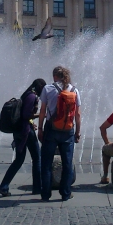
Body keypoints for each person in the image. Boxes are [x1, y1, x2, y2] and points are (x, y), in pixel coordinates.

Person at [38, 66, 81, 202]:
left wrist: (40, 128)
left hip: (51, 129)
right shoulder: (74, 90)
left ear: (55, 76)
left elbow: (43, 111)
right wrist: (77, 132)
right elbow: (78, 114)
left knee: (46, 163)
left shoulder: (47, 89)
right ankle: (65, 193)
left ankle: (46, 194)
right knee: (67, 164)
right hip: (68, 130)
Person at [0, 78, 46, 197]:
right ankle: (37, 188)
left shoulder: (26, 95)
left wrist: (31, 122)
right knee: (37, 157)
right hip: (25, 132)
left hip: (20, 130)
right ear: (40, 87)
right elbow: (25, 115)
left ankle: (4, 186)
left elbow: (23, 114)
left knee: (19, 160)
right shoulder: (32, 96)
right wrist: (40, 115)